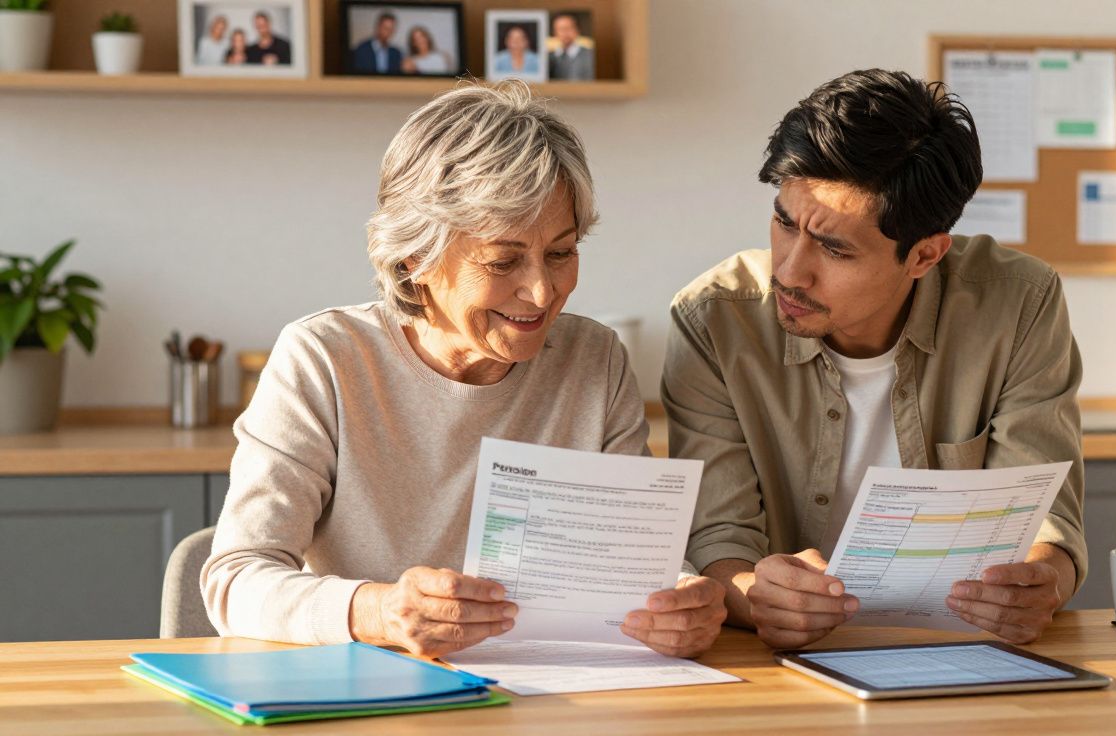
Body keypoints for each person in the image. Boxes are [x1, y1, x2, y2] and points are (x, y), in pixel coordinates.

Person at [202, 81, 727, 660]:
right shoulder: (325, 359)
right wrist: (378, 611)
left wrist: (681, 604)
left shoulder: (594, 360)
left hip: (551, 695)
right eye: (503, 260)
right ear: (416, 258)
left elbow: (636, 564)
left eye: (561, 252)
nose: (542, 290)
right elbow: (235, 580)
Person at [662, 69, 1086, 650]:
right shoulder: (714, 319)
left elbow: (1045, 518)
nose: (790, 271)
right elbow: (717, 538)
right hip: (788, 665)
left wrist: (1042, 582)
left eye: (835, 249)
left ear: (924, 255)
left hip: (961, 653)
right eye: (785, 224)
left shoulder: (1018, 304)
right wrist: (756, 592)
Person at [548, 13, 594, 81]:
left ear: (578, 30)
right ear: (554, 33)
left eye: (569, 28)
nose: (565, 32)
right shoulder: (549, 57)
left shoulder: (591, 56)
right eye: (560, 29)